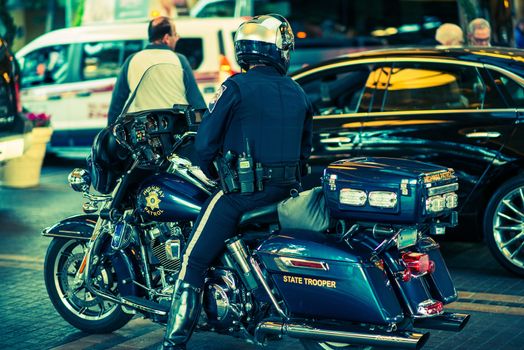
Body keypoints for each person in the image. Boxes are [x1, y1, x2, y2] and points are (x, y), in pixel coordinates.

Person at [161, 14, 313, 350]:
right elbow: (306, 150)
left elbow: (204, 144)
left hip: (244, 196)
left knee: (193, 258)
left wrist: (216, 174)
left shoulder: (235, 87)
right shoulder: (297, 90)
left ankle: (172, 343)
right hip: (287, 193)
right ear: (280, 50)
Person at [107, 16, 205, 125]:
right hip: (175, 129)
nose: (177, 38)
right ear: (167, 38)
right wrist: (203, 126)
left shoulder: (132, 60)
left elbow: (117, 103)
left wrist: (111, 130)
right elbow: (196, 101)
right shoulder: (179, 60)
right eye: (175, 35)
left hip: (144, 129)